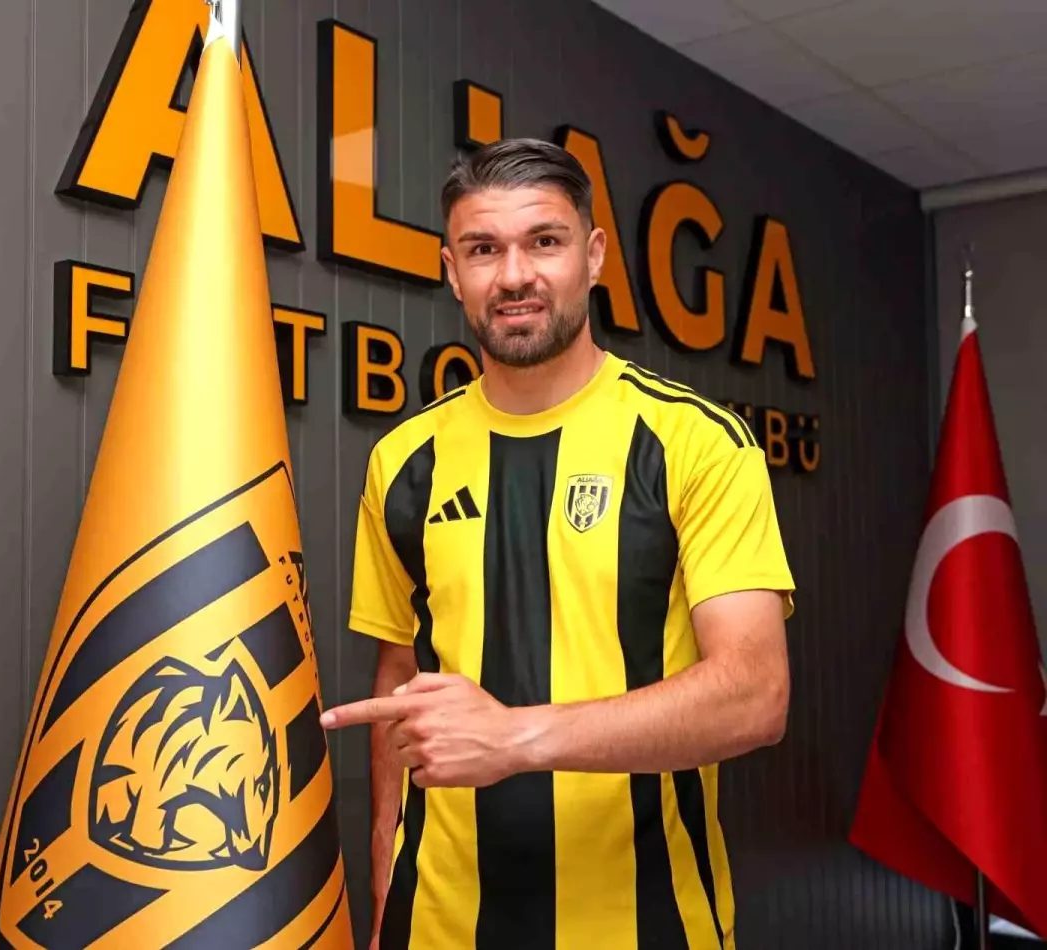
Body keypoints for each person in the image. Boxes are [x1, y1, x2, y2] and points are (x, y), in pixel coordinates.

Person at [320, 138, 795, 950]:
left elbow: (755, 695)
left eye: (544, 241)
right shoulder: (402, 462)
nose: (514, 276)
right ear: (451, 271)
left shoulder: (696, 443)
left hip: (647, 926)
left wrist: (514, 738)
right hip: (437, 928)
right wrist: (383, 874)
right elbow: (401, 678)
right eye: (483, 250)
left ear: (594, 255)